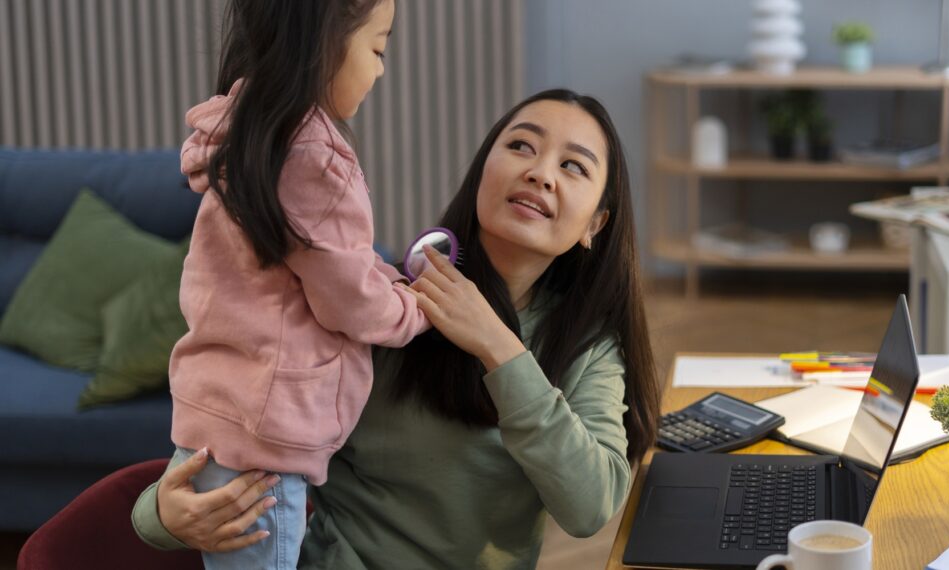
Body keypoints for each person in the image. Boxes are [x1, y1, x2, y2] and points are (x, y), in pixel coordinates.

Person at [133, 88, 662, 569]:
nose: (541, 173)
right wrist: (160, 515)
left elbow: (591, 505)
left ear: (595, 224)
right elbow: (247, 423)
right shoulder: (381, 306)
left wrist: (498, 345)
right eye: (522, 146)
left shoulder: (588, 346)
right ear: (482, 172)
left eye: (573, 166)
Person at [163, 0, 427, 568]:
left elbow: (321, 266)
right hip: (266, 438)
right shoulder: (311, 154)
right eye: (377, 49)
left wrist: (386, 276)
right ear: (324, 40)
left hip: (219, 412)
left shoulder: (248, 128)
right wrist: (414, 307)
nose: (382, 69)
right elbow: (350, 301)